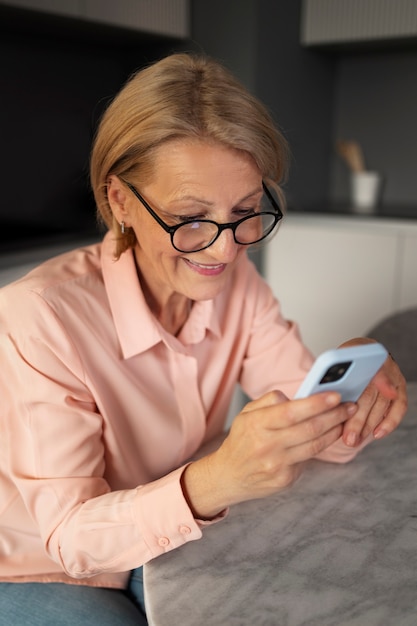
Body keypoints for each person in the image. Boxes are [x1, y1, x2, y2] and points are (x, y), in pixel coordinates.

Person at [0, 52, 407, 624]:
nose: (225, 249)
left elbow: (323, 434)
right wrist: (218, 479)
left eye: (245, 211)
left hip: (173, 544)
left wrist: (358, 383)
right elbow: (71, 538)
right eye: (190, 217)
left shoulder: (236, 283)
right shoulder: (38, 316)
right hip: (41, 564)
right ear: (120, 201)